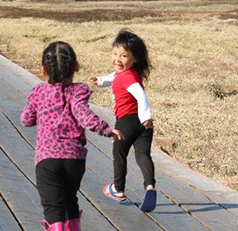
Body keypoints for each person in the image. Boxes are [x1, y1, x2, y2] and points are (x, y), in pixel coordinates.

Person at [22, 41, 123, 231]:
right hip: (74, 160)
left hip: (47, 159)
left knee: (53, 207)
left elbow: (26, 119)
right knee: (70, 201)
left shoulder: (39, 92)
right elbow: (84, 115)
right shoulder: (79, 91)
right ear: (76, 67)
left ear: (44, 70)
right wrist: (106, 129)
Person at [90, 29, 157, 213]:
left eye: (124, 56)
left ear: (134, 59)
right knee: (142, 154)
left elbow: (141, 96)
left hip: (128, 121)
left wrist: (146, 115)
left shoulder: (128, 79)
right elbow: (112, 77)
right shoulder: (128, 73)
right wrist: (100, 80)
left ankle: (118, 189)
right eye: (114, 54)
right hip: (143, 126)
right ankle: (150, 186)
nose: (117, 59)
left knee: (119, 152)